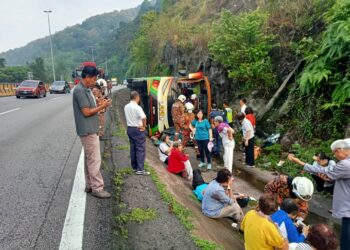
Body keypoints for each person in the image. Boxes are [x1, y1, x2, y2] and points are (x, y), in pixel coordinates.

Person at [290, 139, 350, 250]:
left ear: (339, 150)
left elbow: (324, 172)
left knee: (346, 239)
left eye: (334, 152)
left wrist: (300, 162)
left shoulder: (345, 164)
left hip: (348, 208)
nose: (334, 155)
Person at [72, 66, 112, 199]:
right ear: (87, 77)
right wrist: (103, 106)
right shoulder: (80, 91)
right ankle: (97, 188)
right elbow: (86, 112)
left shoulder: (86, 89)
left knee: (89, 158)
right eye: (93, 79)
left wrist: (101, 103)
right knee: (95, 159)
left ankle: (90, 184)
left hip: (90, 129)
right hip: (87, 130)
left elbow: (91, 107)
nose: (94, 81)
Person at [124, 91, 150, 175]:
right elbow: (144, 117)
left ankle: (134, 167)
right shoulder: (137, 107)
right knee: (140, 149)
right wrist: (144, 126)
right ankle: (140, 169)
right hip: (138, 130)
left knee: (133, 148)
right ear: (137, 97)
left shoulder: (126, 106)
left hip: (130, 129)